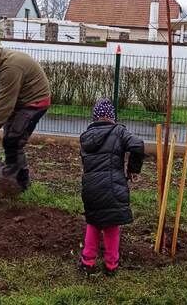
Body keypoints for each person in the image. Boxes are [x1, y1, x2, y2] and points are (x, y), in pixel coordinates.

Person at [0, 42, 51, 192]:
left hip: (35, 102)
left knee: (13, 140)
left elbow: (6, 100)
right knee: (12, 140)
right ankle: (22, 182)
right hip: (20, 102)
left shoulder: (11, 66)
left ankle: (6, 185)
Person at [79, 98, 145, 275]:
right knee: (111, 227)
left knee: (93, 223)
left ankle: (87, 261)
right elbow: (138, 145)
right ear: (112, 117)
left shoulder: (85, 137)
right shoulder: (119, 132)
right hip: (112, 188)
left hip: (90, 188)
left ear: (94, 118)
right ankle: (111, 264)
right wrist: (133, 170)